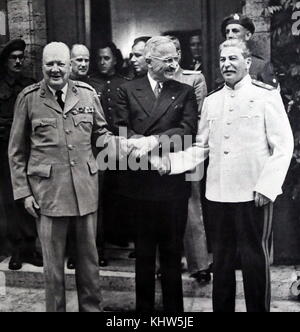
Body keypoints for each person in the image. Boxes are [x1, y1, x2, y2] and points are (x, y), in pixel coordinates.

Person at [151, 39, 294, 312]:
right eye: (222, 60)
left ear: (248, 63)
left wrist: (267, 186)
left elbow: (284, 145)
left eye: (233, 59)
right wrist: (171, 163)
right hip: (218, 195)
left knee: (254, 260)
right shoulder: (212, 101)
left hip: (254, 194)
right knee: (223, 262)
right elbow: (202, 147)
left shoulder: (265, 96)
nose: (226, 64)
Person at [8, 42, 117, 312]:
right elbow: (16, 151)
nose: (55, 70)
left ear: (70, 65)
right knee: (53, 269)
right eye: (49, 64)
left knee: (89, 264)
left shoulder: (89, 95)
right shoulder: (29, 98)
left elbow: (101, 133)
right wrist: (24, 193)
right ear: (42, 66)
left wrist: (121, 144)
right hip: (48, 195)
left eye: (60, 64)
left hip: (84, 192)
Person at [115, 36, 198, 312]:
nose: (175, 64)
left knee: (173, 255)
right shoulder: (127, 90)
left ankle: (175, 314)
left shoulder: (184, 91)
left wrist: (153, 141)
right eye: (168, 60)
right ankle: (144, 313)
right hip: (139, 186)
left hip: (172, 186)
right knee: (144, 256)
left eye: (176, 58)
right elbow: (122, 131)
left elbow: (187, 131)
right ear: (149, 62)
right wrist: (150, 152)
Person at [168, 35, 211, 283]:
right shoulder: (155, 82)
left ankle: (199, 264)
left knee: (192, 204)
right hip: (161, 149)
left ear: (180, 54)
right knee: (163, 206)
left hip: (187, 147)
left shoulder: (194, 78)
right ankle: (168, 262)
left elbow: (197, 116)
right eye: (166, 54)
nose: (171, 59)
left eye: (175, 53)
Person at [0, 39, 42, 270]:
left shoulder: (30, 86)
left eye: (21, 57)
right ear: (5, 61)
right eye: (13, 57)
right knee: (11, 199)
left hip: (30, 150)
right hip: (5, 151)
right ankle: (16, 250)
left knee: (30, 197)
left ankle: (30, 248)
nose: (18, 61)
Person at [90, 42, 132, 258]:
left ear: (115, 59)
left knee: (124, 192)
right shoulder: (90, 84)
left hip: (122, 145)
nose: (102, 62)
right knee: (99, 196)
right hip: (98, 147)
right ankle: (100, 246)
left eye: (107, 58)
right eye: (99, 58)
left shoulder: (125, 83)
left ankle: (123, 236)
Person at [220, 13, 278, 88]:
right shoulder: (223, 66)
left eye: (235, 31)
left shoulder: (261, 66)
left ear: (247, 35)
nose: (230, 35)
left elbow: (271, 96)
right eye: (227, 32)